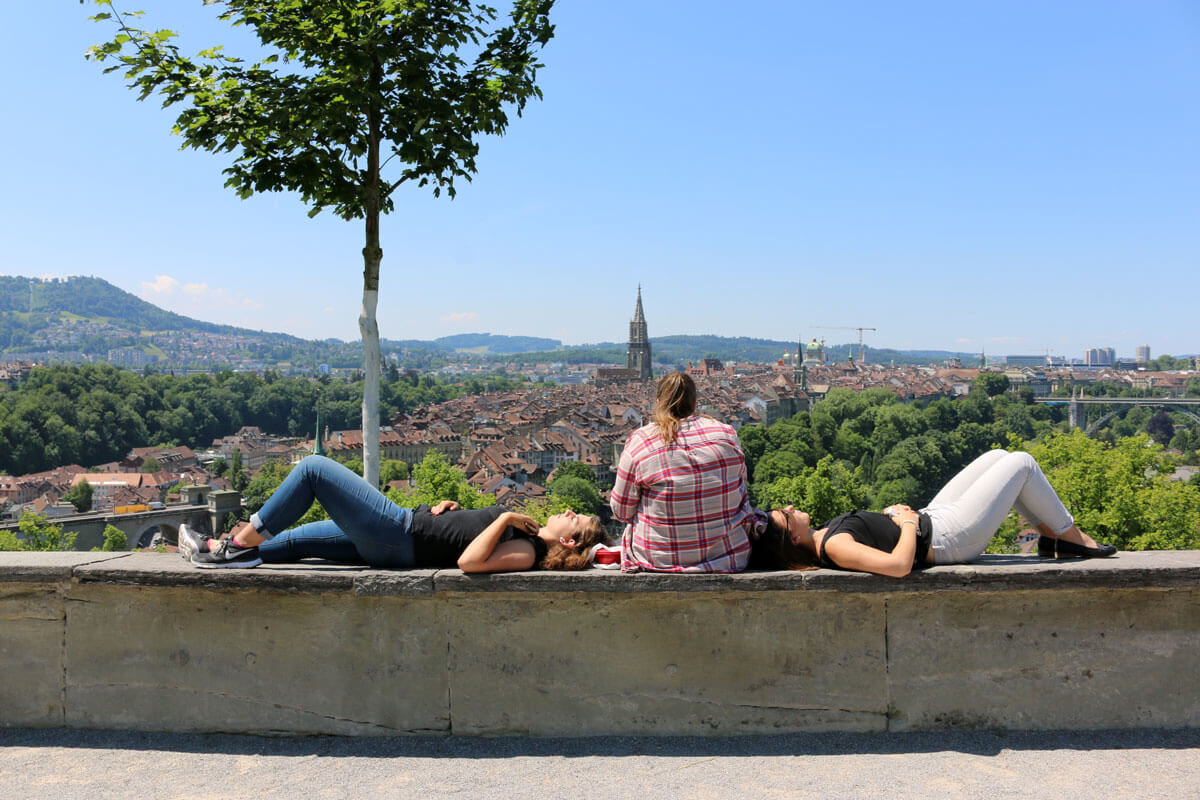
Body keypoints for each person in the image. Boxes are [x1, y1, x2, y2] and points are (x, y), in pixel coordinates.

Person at [178, 454, 604, 572]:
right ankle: (230, 553)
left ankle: (232, 547)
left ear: (568, 540)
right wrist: (448, 512)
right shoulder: (526, 535)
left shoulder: (529, 551)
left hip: (397, 532)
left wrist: (503, 519)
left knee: (312, 469)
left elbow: (469, 562)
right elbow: (464, 539)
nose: (567, 510)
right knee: (296, 542)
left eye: (575, 518)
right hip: (398, 537)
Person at [752, 448, 1116, 577]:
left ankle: (1052, 536)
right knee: (1021, 464)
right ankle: (1068, 536)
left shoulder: (826, 536)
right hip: (949, 538)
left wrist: (894, 517)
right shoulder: (833, 546)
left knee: (998, 457)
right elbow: (898, 567)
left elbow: (879, 538)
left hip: (935, 519)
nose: (789, 507)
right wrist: (907, 524)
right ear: (793, 538)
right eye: (786, 516)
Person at [610, 372, 755, 572]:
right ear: (695, 404)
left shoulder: (641, 442)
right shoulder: (726, 434)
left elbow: (621, 511)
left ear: (659, 403)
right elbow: (740, 489)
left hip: (658, 560)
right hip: (727, 557)